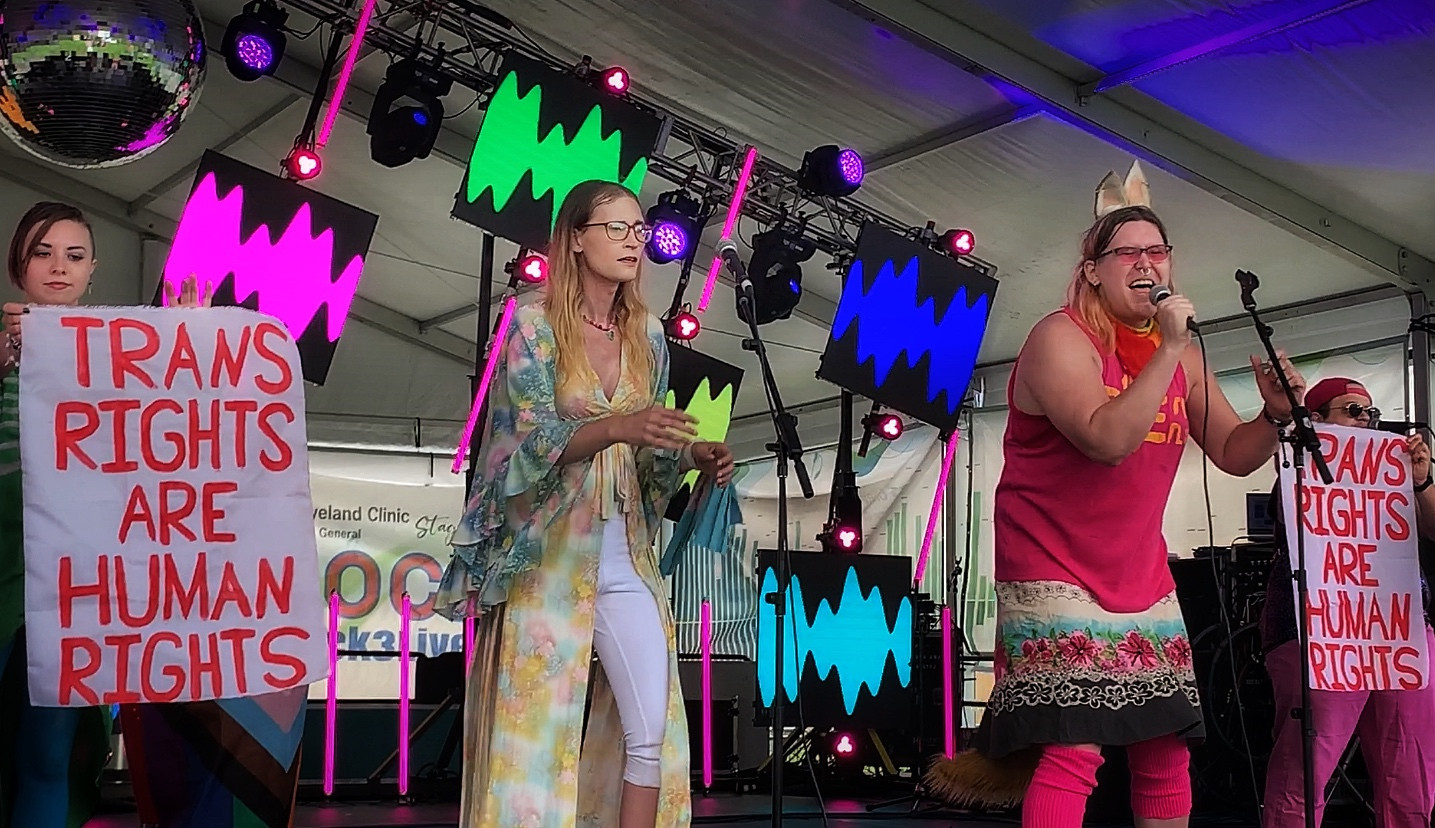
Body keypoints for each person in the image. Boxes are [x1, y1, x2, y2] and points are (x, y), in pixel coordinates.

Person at [926, 161, 1306, 828]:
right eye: (1125, 251)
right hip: (1052, 566)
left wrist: (1272, 417)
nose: (1145, 263)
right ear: (1093, 269)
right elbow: (1105, 439)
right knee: (1074, 748)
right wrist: (1164, 351)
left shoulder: (1180, 356)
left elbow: (1232, 454)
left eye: (1156, 251)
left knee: (1165, 749)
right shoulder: (1059, 338)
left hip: (1138, 572)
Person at [435, 179, 735, 828]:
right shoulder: (532, 327)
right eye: (617, 229)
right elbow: (524, 442)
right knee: (532, 745)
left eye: (639, 231)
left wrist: (694, 456)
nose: (634, 243)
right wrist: (617, 427)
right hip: (547, 563)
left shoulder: (648, 337)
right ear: (575, 240)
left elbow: (649, 456)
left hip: (624, 556)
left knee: (650, 733)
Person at [0, 202, 218, 828]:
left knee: (51, 753)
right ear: (19, 261)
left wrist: (188, 342)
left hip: (75, 573)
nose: (58, 268)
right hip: (0, 554)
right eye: (43, 252)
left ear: (93, 268)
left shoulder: (116, 353)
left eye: (73, 255)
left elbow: (170, 435)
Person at [1259, 377, 1435, 827]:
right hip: (1320, 629)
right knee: (1307, 765)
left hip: (1398, 629)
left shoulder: (1391, 470)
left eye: (1370, 413)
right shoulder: (1297, 464)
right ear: (1317, 420)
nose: (1366, 421)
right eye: (1353, 410)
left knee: (1410, 766)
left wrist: (1422, 481)